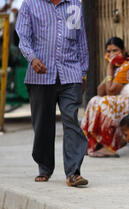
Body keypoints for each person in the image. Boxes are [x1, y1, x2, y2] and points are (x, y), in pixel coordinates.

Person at [16, 0, 89, 187]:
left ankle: (73, 172)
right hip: (40, 74)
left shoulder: (75, 5)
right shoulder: (30, 5)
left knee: (71, 121)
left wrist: (83, 73)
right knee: (43, 125)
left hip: (70, 72)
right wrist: (32, 58)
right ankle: (44, 167)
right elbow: (23, 37)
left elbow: (81, 40)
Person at [81, 37, 129, 158]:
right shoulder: (117, 67)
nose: (111, 54)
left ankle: (109, 146)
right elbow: (100, 91)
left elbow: (110, 91)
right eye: (108, 51)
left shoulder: (128, 65)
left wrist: (110, 70)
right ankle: (90, 144)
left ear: (123, 51)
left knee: (107, 102)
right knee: (94, 100)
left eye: (115, 50)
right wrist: (110, 71)